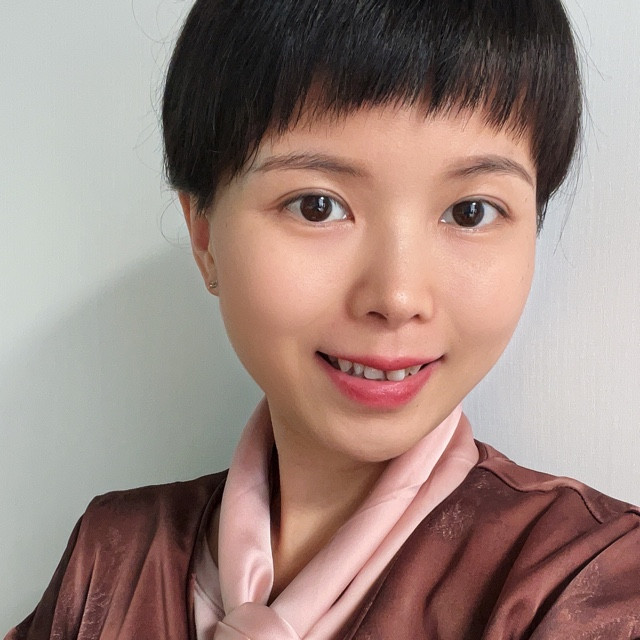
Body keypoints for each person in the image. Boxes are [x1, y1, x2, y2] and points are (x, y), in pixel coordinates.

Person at [6, 0, 640, 638]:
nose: (397, 295)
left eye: (470, 211)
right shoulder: (107, 561)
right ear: (204, 238)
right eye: (316, 206)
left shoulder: (587, 581)